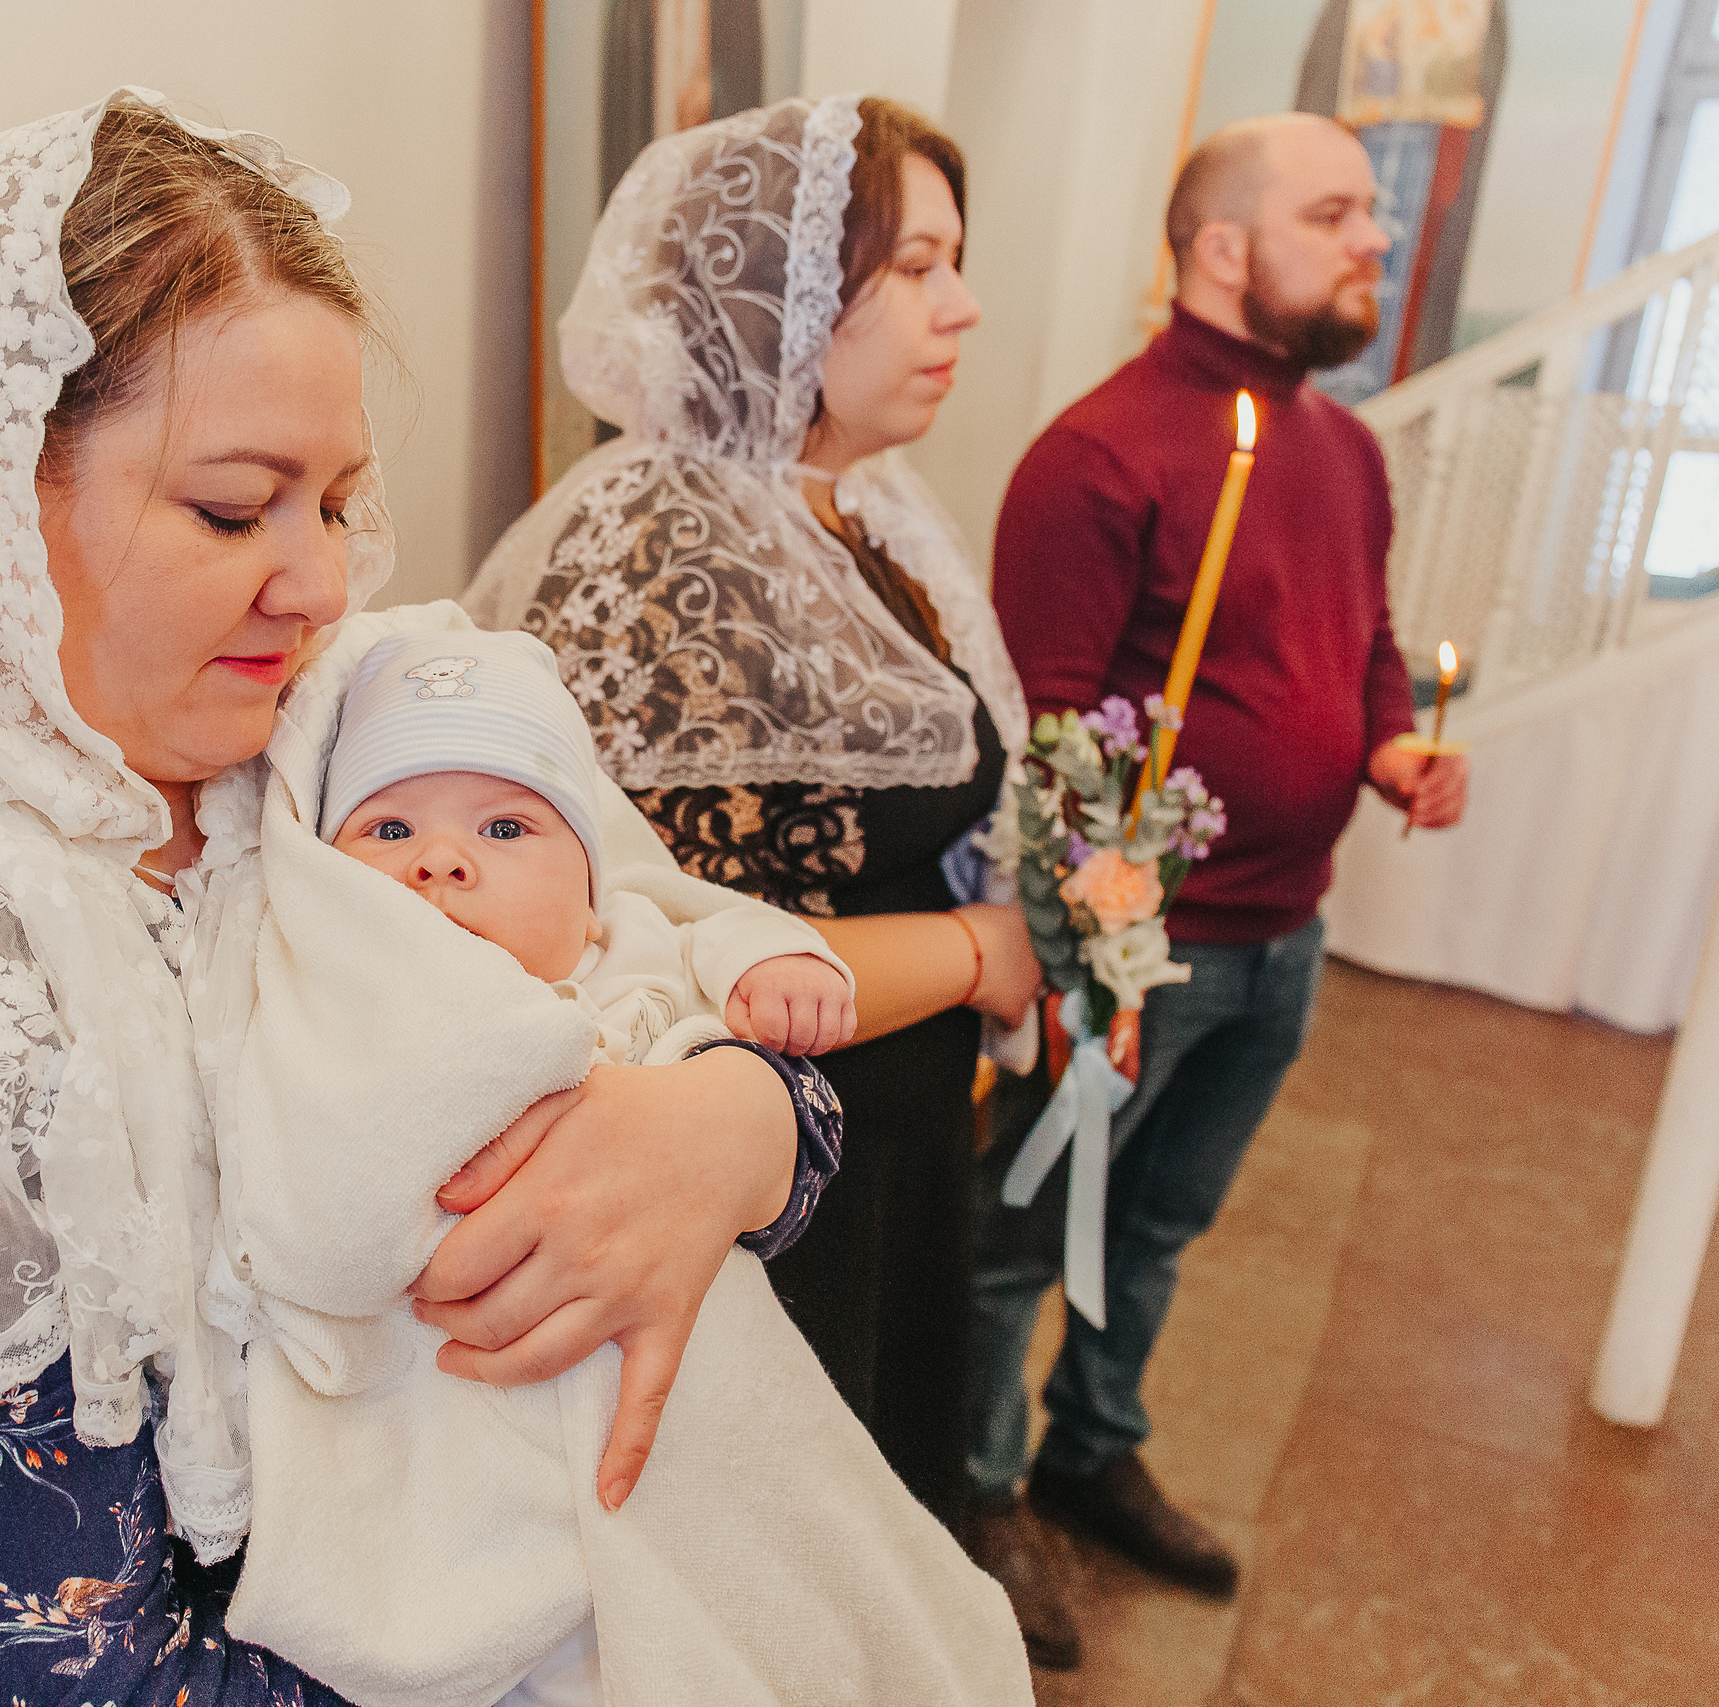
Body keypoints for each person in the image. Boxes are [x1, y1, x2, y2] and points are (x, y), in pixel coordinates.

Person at [0, 92, 842, 1707]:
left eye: (333, 500)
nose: (321, 580)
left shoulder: (331, 750)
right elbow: (54, 1672)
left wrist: (740, 1122)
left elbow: (659, 950)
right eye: (229, 505)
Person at [209, 622, 1029, 1707]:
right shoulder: (326, 1007)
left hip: (689, 1407)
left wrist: (758, 1005)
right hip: (449, 1431)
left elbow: (703, 955)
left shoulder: (621, 952)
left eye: (505, 827)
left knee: (794, 1604)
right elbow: (305, 1218)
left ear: (590, 894)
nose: (440, 860)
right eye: (389, 825)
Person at [466, 93, 1039, 1535]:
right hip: (771, 1182)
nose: (961, 305)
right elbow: (681, 942)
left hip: (893, 1140)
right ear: (777, 287)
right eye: (915, 266)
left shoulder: (861, 504)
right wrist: (979, 947)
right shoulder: (662, 543)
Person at [961, 112, 1472, 1670]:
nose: (1375, 238)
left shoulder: (1346, 446)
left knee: (1169, 1219)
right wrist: (1096, 942)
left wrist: (1389, 738)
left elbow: (1365, 635)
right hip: (1138, 948)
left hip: (1287, 931)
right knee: (1021, 1234)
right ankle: (976, 1489)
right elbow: (1045, 735)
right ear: (1224, 247)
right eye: (1338, 213)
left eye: (1372, 216)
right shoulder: (1098, 455)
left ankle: (1093, 1446)